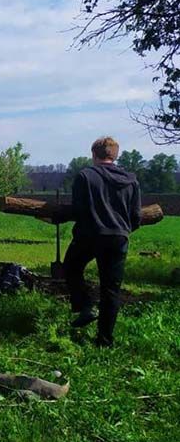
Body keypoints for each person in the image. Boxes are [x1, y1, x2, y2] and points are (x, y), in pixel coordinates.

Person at [65, 136, 141, 346]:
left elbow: (78, 210)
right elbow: (135, 217)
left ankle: (86, 305)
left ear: (94, 154)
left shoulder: (85, 176)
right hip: (118, 238)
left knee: (71, 268)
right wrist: (122, 230)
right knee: (111, 290)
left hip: (90, 235)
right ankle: (104, 341)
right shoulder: (131, 180)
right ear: (114, 155)